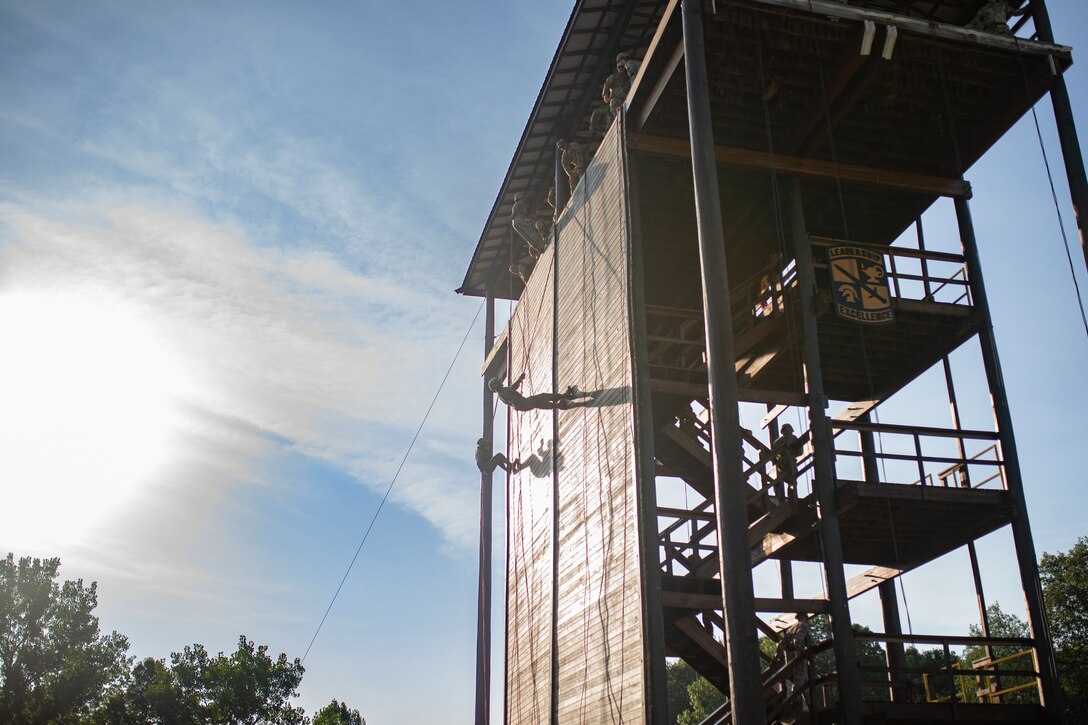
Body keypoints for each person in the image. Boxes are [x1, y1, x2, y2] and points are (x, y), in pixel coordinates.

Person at [488, 373, 589, 412]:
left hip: (524, 404)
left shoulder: (503, 391)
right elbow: (513, 399)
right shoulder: (502, 393)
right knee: (543, 397)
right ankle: (564, 397)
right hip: (524, 403)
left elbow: (513, 388)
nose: (500, 382)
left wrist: (519, 379)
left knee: (542, 402)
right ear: (496, 385)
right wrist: (518, 400)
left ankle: (559, 405)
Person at [774, 614, 812, 714]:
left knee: (801, 682)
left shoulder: (791, 629)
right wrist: (798, 655)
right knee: (799, 683)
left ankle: (808, 705)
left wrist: (776, 658)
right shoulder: (802, 626)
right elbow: (798, 640)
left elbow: (781, 645)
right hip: (798, 659)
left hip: (790, 660)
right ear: (805, 617)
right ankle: (797, 707)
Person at [771, 423, 801, 498]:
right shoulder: (779, 441)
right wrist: (784, 448)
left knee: (793, 476)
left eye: (788, 429)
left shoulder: (794, 438)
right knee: (789, 475)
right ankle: (791, 486)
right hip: (783, 461)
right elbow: (775, 450)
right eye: (785, 429)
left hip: (791, 460)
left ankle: (792, 487)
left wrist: (792, 451)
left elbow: (800, 451)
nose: (787, 431)